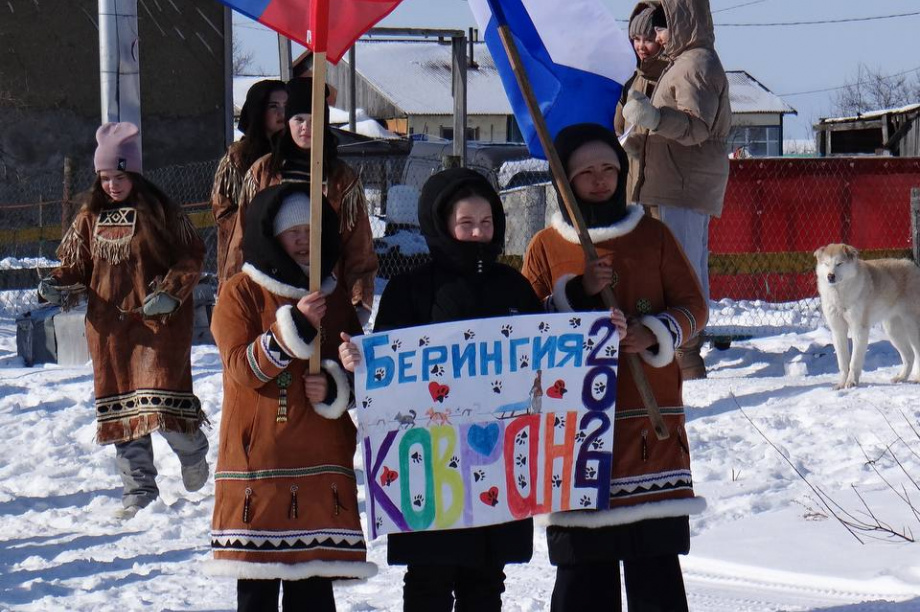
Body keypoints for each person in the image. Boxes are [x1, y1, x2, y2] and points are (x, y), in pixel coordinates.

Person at [338, 168, 547, 612]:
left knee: (486, 581)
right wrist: (362, 363)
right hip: (429, 465)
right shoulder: (410, 290)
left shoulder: (514, 287)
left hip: (498, 461)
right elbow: (385, 372)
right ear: (442, 223)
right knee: (428, 581)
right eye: (466, 223)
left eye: (486, 223)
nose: (478, 233)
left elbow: (549, 359)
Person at [521, 123, 708, 612]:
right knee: (584, 576)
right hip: (575, 429)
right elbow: (522, 329)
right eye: (586, 172)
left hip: (649, 424)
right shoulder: (546, 246)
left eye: (608, 168)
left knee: (655, 570)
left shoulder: (654, 235)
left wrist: (653, 332)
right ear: (564, 181)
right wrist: (577, 293)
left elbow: (694, 307)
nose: (600, 179)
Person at [208, 183, 376, 611]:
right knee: (258, 593)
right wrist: (294, 328)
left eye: (310, 230)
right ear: (271, 235)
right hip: (260, 461)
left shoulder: (333, 295)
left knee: (313, 592)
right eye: (292, 231)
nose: (303, 239)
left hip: (320, 460)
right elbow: (243, 369)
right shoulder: (240, 292)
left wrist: (337, 383)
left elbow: (359, 368)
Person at [39, 122, 209, 519]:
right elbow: (76, 265)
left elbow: (191, 257)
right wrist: (57, 283)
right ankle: (138, 490)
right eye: (105, 178)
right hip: (109, 330)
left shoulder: (162, 211)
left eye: (119, 176)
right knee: (123, 415)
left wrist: (171, 291)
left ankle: (192, 449)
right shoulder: (89, 217)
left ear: (134, 173)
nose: (112, 185)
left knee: (161, 404)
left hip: (158, 326)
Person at [622, 0, 731, 379]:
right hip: (672, 181)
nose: (655, 37)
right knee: (675, 266)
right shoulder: (681, 63)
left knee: (682, 269)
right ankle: (679, 351)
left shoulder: (696, 64)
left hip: (683, 185)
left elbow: (696, 127)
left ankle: (686, 354)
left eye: (660, 27)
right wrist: (641, 139)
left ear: (682, 21)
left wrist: (653, 118)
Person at [223, 77, 378, 326]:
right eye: (298, 119)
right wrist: (231, 293)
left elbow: (359, 247)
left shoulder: (341, 178)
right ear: (288, 122)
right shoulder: (263, 172)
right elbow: (241, 238)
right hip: (269, 296)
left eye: (313, 120)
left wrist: (359, 302)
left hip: (324, 296)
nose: (306, 127)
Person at [211, 79, 287, 287]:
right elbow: (222, 209)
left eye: (286, 106)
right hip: (245, 254)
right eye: (274, 106)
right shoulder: (238, 156)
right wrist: (258, 224)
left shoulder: (295, 153)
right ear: (259, 110)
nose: (282, 113)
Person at [614, 2, 668, 207]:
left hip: (661, 183)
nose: (641, 46)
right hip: (630, 179)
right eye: (636, 39)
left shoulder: (671, 77)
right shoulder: (630, 78)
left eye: (648, 40)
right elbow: (618, 124)